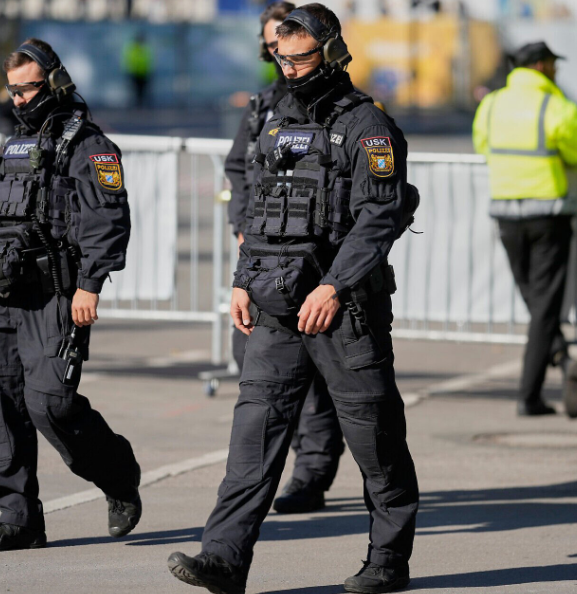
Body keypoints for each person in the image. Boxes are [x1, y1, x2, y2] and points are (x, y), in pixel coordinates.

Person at [168, 4, 419, 593]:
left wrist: (335, 286)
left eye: (300, 56)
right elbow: (260, 210)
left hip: (344, 313)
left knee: (375, 442)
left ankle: (388, 561)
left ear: (331, 52)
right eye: (282, 57)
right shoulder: (276, 124)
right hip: (277, 309)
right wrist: (240, 277)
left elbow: (379, 216)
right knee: (252, 440)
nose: (289, 67)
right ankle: (223, 560)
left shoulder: (367, 125)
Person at [0, 38, 142, 550]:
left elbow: (108, 220)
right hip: (2, 296)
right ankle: (19, 520)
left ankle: (119, 478)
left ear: (55, 81)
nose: (18, 99)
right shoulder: (12, 144)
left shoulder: (89, 146)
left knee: (51, 404)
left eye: (28, 88)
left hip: (57, 296)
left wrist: (90, 284)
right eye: (12, 91)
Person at [224, 0, 345, 516]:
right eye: (276, 48)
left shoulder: (338, 109)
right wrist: (242, 228)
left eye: (293, 49)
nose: (285, 58)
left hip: (314, 263)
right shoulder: (262, 109)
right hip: (263, 255)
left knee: (317, 376)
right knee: (250, 364)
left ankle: (311, 474)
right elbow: (238, 168)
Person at [472, 41, 577, 418]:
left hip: (506, 213)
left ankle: (560, 357)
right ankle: (529, 396)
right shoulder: (556, 106)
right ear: (543, 66)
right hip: (548, 215)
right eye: (554, 66)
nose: (557, 72)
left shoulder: (492, 104)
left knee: (535, 299)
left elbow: (483, 144)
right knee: (544, 307)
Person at [122, 34, 153, 108]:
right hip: (135, 73)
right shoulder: (133, 49)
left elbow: (149, 61)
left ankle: (140, 104)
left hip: (143, 73)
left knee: (142, 91)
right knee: (135, 90)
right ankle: (136, 105)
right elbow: (128, 60)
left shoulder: (145, 49)